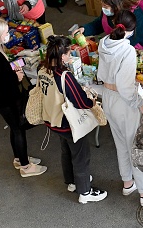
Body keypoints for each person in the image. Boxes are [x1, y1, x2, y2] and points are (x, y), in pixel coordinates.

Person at [98, 10, 143, 206]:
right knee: (136, 146)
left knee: (120, 143)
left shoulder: (104, 42)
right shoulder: (127, 50)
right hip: (124, 101)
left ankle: (128, 183)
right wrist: (141, 104)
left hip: (108, 98)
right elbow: (125, 87)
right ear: (132, 30)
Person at [0, 18, 46, 177]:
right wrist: (16, 77)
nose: (8, 35)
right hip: (3, 98)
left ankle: (19, 158)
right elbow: (1, 81)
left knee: (14, 127)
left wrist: (9, 72)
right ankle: (26, 167)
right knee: (18, 128)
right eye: (5, 33)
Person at [39, 35, 107, 204]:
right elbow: (79, 101)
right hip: (67, 123)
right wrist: (91, 101)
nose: (70, 56)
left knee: (66, 151)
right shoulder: (64, 76)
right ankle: (85, 191)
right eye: (69, 53)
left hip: (52, 120)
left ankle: (71, 181)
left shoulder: (43, 69)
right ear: (62, 55)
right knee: (81, 156)